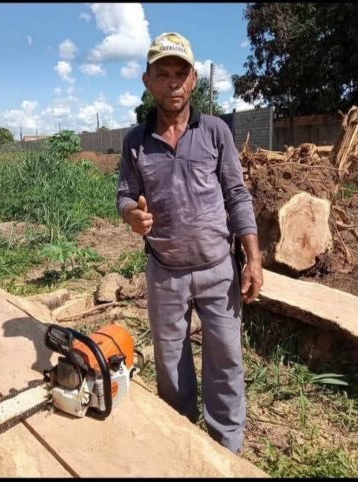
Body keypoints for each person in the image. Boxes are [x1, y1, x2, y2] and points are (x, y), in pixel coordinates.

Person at [116, 32, 263, 454]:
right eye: (162, 74)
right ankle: (181, 445)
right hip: (165, 273)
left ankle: (226, 450)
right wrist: (132, 215)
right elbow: (125, 195)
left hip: (218, 271)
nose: (173, 83)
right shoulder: (136, 141)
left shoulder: (215, 131)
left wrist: (253, 259)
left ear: (194, 79)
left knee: (226, 361)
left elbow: (237, 196)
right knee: (170, 364)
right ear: (147, 81)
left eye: (180, 74)